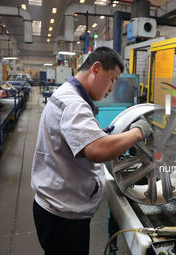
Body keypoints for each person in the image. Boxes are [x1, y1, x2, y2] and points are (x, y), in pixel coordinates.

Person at [31, 47, 152, 255]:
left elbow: (73, 137)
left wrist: (100, 133)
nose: (112, 88)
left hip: (56, 206)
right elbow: (96, 150)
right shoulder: (74, 103)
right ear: (96, 69)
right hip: (63, 216)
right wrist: (137, 133)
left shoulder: (66, 93)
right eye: (112, 79)